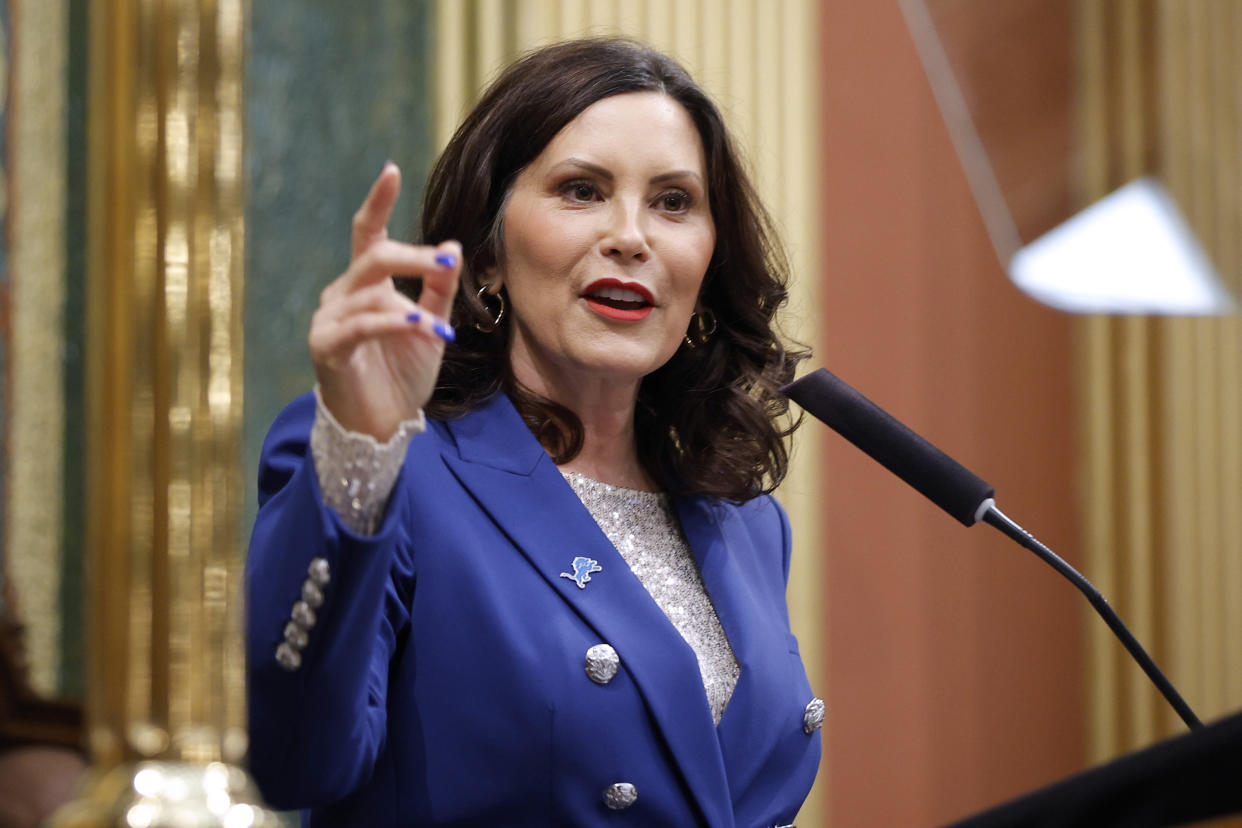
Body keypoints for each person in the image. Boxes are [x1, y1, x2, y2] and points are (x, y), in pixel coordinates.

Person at [246, 37, 821, 827]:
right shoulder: (388, 466)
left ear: (710, 259)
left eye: (674, 201)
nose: (632, 236)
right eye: (582, 191)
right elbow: (295, 760)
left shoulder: (748, 525)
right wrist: (356, 452)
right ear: (488, 250)